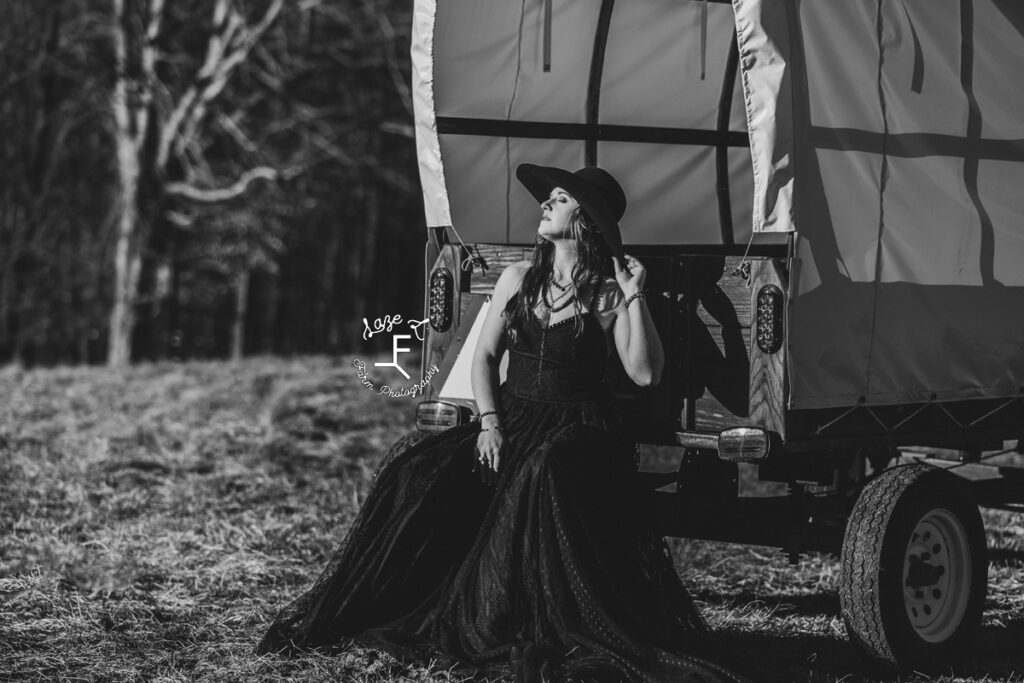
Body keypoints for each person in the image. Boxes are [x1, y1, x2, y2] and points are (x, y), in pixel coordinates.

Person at [256, 164, 750, 683]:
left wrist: (635, 293)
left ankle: (519, 616)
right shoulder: (516, 278)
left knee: (543, 469)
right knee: (415, 467)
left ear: (584, 218)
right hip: (513, 417)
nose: (545, 205)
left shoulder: (607, 291)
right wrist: (489, 423)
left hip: (578, 428)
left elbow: (646, 375)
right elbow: (485, 359)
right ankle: (385, 600)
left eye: (558, 200)